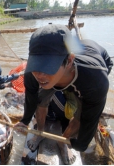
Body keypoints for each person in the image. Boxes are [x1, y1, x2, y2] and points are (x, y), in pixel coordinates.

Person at [14, 24, 113, 165]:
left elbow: (89, 118)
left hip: (93, 59)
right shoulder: (32, 73)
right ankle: (40, 133)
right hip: (69, 57)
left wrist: (81, 143)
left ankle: (63, 141)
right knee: (41, 98)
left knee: (81, 112)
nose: (39, 75)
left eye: (47, 66)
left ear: (69, 60)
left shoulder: (95, 80)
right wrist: (25, 120)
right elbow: (31, 95)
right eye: (36, 65)